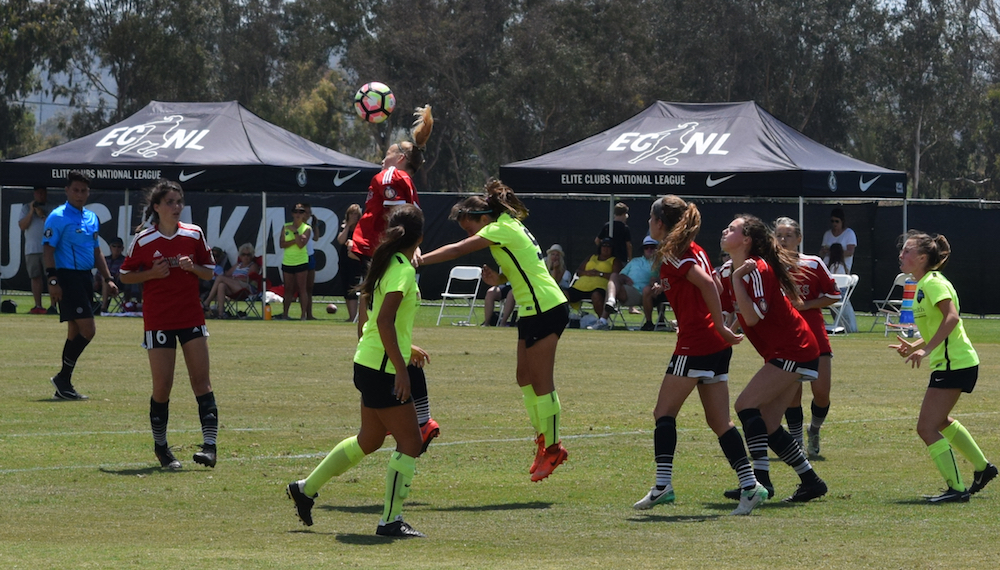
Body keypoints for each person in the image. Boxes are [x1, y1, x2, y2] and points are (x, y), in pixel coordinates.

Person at [287, 204, 427, 537]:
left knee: (370, 439)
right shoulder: (402, 270)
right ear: (420, 238)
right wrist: (401, 369)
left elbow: (371, 318)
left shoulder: (386, 262)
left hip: (367, 360)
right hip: (382, 368)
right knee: (411, 442)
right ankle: (390, 521)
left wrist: (406, 350)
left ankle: (305, 488)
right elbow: (383, 320)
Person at [417, 180, 570, 482]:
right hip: (531, 309)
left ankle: (552, 448)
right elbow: (522, 264)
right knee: (524, 377)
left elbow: (458, 250)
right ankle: (544, 441)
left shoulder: (499, 228)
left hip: (545, 307)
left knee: (542, 382)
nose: (470, 235)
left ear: (483, 218)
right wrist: (497, 277)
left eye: (470, 227)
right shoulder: (504, 225)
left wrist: (420, 259)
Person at [633, 196, 766, 516]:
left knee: (663, 412)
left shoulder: (673, 252)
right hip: (711, 344)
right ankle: (750, 486)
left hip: (697, 344)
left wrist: (719, 325)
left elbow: (708, 283)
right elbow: (702, 286)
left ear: (660, 223)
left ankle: (663, 485)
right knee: (719, 421)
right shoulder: (691, 249)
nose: (648, 223)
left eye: (651, 218)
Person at [718, 214, 828, 503]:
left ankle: (758, 482)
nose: (724, 230)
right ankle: (811, 481)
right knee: (767, 424)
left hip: (794, 348)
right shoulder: (732, 269)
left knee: (745, 406)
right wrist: (722, 333)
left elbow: (752, 317)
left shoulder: (756, 270)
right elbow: (735, 314)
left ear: (747, 240)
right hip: (788, 351)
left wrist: (737, 279)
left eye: (732, 229)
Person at [119, 180, 219, 470]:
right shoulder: (143, 240)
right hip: (159, 320)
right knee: (162, 387)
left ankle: (210, 447)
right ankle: (162, 447)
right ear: (156, 207)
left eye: (180, 201)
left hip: (191, 317)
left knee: (202, 382)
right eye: (171, 202)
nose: (177, 207)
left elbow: (209, 273)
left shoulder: (194, 234)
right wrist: (150, 273)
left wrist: (193, 267)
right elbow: (125, 275)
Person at [890, 231, 997, 502]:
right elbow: (939, 326)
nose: (902, 255)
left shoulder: (932, 283)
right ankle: (983, 469)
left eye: (907, 251)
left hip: (955, 364)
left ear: (923, 257)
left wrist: (925, 349)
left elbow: (951, 318)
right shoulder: (925, 283)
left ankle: (958, 490)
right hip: (954, 363)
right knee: (940, 422)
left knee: (926, 427)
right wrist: (915, 346)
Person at [43, 171, 118, 400]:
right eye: (75, 190)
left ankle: (64, 384)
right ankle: (62, 378)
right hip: (67, 278)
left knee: (75, 331)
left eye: (84, 190)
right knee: (89, 330)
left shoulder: (91, 217)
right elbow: (48, 249)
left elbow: (96, 251)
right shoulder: (57, 217)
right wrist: (53, 281)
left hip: (85, 278)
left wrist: (108, 278)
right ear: (67, 191)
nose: (80, 194)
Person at [774, 217, 841, 458]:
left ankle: (814, 429)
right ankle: (796, 442)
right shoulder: (768, 266)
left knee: (822, 393)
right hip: (786, 339)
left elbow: (834, 295)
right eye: (779, 235)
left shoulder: (812, 263)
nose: (783, 240)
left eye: (788, 235)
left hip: (815, 336)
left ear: (799, 239)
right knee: (792, 394)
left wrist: (806, 305)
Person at [351, 106, 434, 262]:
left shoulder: (390, 175)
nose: (383, 160)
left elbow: (397, 213)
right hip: (395, 250)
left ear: (400, 159)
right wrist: (413, 246)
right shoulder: (409, 184)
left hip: (379, 249)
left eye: (387, 155)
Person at [567, 238, 621, 331]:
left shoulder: (614, 261)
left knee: (596, 295)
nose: (606, 248)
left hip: (599, 287)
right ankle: (564, 319)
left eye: (609, 246)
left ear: (612, 249)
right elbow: (579, 271)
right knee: (563, 294)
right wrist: (587, 273)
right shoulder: (591, 257)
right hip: (581, 286)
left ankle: (602, 322)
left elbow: (616, 276)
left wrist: (599, 274)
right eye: (604, 245)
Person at [19, 186, 55, 314]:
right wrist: (31, 211)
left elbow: (54, 226)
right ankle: (38, 305)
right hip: (32, 248)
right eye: (38, 193)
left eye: (43, 193)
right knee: (35, 277)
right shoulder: (25, 208)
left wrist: (41, 215)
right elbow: (22, 226)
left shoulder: (52, 208)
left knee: (51, 277)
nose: (40, 195)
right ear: (34, 194)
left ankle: (53, 306)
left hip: (48, 248)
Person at [204, 243, 260, 319]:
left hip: (245, 288)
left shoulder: (253, 265)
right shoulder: (238, 265)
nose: (246, 257)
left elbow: (248, 279)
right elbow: (227, 274)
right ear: (240, 255)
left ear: (252, 255)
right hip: (235, 287)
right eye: (243, 254)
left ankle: (207, 302)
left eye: (248, 254)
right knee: (221, 285)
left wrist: (234, 278)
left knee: (220, 278)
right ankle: (221, 314)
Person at [278, 203, 312, 320]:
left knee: (302, 289)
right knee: (288, 289)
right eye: (296, 212)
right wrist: (295, 239)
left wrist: (296, 232)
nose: (298, 214)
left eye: (301, 212)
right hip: (288, 261)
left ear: (304, 215)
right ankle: (285, 314)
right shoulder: (286, 226)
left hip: (301, 261)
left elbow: (301, 244)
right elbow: (282, 244)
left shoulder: (307, 228)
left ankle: (303, 315)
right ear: (292, 213)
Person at [614, 235, 658, 316]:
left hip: (645, 293)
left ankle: (605, 315)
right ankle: (609, 304)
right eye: (646, 247)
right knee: (614, 277)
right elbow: (621, 275)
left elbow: (658, 279)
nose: (649, 250)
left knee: (603, 291)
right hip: (627, 290)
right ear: (643, 249)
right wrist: (625, 278)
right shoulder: (634, 261)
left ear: (657, 249)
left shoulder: (660, 263)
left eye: (652, 247)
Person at [336, 204, 363, 322]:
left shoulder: (361, 228)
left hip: (356, 260)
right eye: (351, 213)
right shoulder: (344, 227)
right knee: (346, 286)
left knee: (353, 286)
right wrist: (347, 225)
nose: (353, 216)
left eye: (356, 214)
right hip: (344, 260)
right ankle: (350, 315)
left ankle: (354, 316)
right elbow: (341, 240)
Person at [95, 236, 132, 312]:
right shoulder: (105, 260)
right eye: (114, 246)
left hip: (117, 284)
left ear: (122, 248)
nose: (116, 248)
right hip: (100, 283)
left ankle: (104, 307)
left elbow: (122, 274)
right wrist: (96, 281)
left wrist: (108, 278)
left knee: (106, 279)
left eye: (119, 246)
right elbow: (98, 273)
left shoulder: (125, 260)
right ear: (110, 247)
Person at [819, 208, 857, 272]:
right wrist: (824, 251)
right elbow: (821, 253)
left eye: (837, 221)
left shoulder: (849, 233)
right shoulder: (827, 234)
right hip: (827, 266)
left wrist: (834, 252)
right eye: (832, 221)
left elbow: (850, 252)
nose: (834, 224)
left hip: (842, 267)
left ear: (842, 221)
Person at [303, 204, 319, 320]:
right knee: (301, 287)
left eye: (309, 212)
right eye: (306, 212)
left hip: (310, 256)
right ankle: (303, 313)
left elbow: (316, 238)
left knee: (309, 287)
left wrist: (315, 224)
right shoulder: (297, 227)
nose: (308, 215)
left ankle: (309, 314)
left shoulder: (309, 226)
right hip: (300, 257)